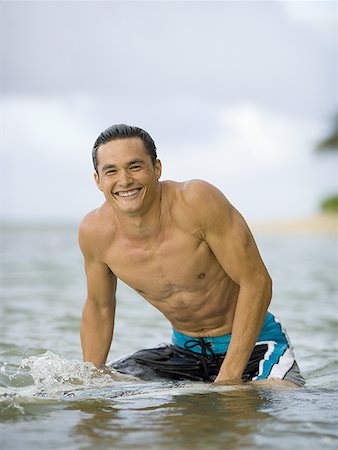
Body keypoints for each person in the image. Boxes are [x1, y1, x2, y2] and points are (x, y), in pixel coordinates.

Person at [79, 124, 304, 386]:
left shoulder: (196, 201)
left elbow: (257, 283)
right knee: (99, 384)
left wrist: (228, 379)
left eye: (135, 166)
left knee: (271, 395)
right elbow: (99, 307)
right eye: (111, 171)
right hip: (184, 354)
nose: (125, 180)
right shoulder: (94, 232)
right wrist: (90, 383)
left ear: (157, 168)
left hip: (256, 345)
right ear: (98, 180)